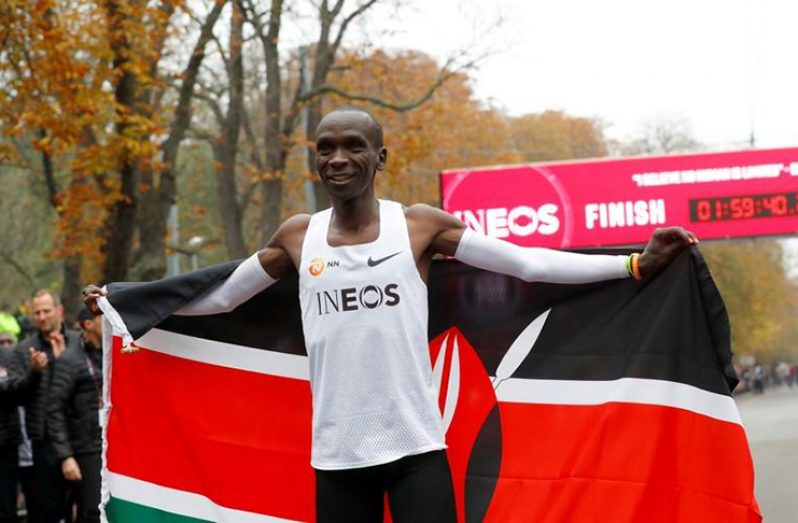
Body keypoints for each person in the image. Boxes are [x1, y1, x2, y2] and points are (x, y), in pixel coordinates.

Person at [85, 107, 698, 523]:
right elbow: (220, 297)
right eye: (325, 149)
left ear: (381, 157)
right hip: (336, 459)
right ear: (315, 161)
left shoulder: (420, 226)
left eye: (354, 147)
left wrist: (632, 266)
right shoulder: (300, 237)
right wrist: (126, 303)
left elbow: (526, 266)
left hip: (416, 451)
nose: (338, 158)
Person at [12, 290, 81, 523]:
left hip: (79, 436)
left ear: (59, 311)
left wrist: (64, 363)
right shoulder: (24, 349)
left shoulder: (77, 342)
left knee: (85, 506)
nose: (42, 317)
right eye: (37, 313)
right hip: (43, 441)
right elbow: (15, 395)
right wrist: (34, 373)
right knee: (50, 510)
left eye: (46, 311)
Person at [47, 306, 104, 523]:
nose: (108, 322)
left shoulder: (112, 353)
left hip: (114, 443)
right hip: (87, 448)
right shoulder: (69, 360)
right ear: (88, 324)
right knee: (93, 510)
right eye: (102, 318)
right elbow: (54, 410)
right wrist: (66, 456)